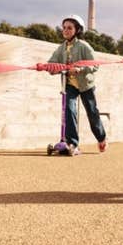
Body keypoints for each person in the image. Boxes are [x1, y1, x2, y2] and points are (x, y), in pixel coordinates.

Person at [46, 14, 107, 156]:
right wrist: (49, 68)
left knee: (92, 113)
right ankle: (72, 143)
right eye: (64, 28)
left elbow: (95, 65)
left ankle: (101, 137)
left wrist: (80, 69)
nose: (65, 30)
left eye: (69, 28)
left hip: (86, 85)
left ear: (77, 30)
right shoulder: (61, 48)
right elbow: (52, 63)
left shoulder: (84, 46)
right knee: (69, 110)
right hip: (69, 85)